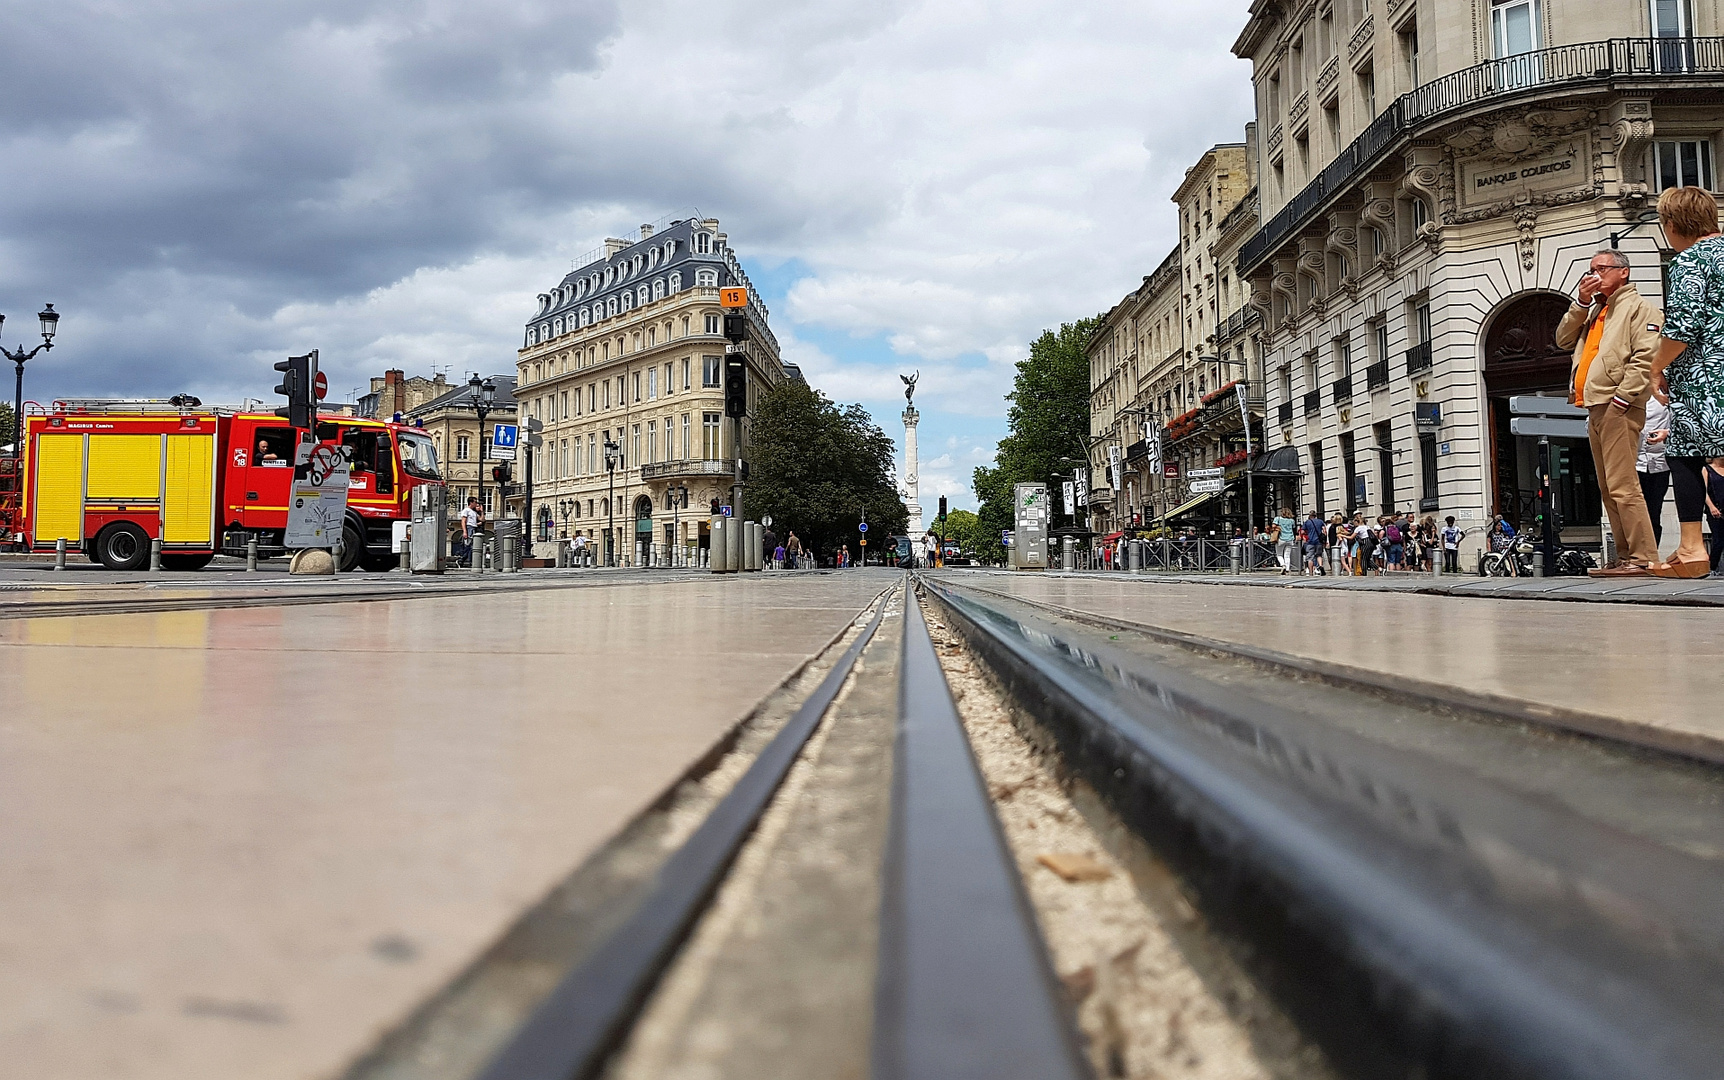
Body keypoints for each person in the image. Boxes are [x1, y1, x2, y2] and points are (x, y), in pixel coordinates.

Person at [1555, 247, 1663, 576]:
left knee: (1623, 484)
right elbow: (1562, 339)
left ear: (1623, 272)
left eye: (1601, 269)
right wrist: (1581, 303)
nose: (1594, 275)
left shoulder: (1640, 308)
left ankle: (1642, 557)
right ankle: (1625, 555)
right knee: (1607, 486)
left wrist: (1623, 397)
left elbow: (1645, 356)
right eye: (1591, 270)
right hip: (1594, 405)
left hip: (1618, 405)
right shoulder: (1595, 310)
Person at [1651, 185, 1724, 577]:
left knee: (1683, 453)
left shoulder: (1691, 261)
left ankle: (1692, 548)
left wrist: (1654, 366)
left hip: (1707, 379)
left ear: (1674, 223)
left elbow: (1682, 328)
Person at [1637, 385, 1672, 548]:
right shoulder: (1629, 395)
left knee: (1653, 512)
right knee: (1633, 513)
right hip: (1633, 463)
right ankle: (1634, 555)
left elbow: (1679, 421)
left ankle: (1651, 554)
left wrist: (1666, 433)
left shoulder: (1665, 395)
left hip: (1659, 464)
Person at [1273, 507, 1298, 574]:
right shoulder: (1292, 521)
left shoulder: (1277, 519)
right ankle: (1287, 569)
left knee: (1279, 554)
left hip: (1281, 538)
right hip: (1290, 539)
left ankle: (1283, 565)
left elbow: (1273, 526)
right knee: (1287, 555)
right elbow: (1294, 529)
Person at [460, 497, 483, 568]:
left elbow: (482, 519)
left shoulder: (474, 512)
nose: (476, 504)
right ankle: (461, 559)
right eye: (475, 502)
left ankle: (463, 560)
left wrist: (482, 511)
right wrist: (465, 531)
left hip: (473, 528)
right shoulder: (466, 510)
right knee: (468, 545)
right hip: (469, 527)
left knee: (472, 546)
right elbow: (463, 521)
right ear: (471, 503)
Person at [1302, 509, 1325, 575]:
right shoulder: (1320, 521)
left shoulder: (1307, 522)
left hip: (1310, 542)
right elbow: (1324, 530)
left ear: (1310, 515)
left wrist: (1308, 532)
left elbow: (1302, 531)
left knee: (1310, 557)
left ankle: (1311, 572)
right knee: (1319, 555)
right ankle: (1320, 566)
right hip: (1319, 541)